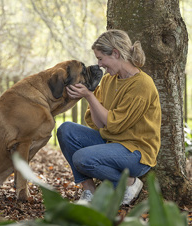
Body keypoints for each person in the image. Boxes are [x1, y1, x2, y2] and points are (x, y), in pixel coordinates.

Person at [57, 29, 161, 205]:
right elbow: (100, 124)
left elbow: (114, 125)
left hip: (136, 151)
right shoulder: (108, 80)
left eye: (100, 58)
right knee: (65, 130)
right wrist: (89, 96)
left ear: (115, 53)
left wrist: (89, 96)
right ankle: (89, 192)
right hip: (111, 142)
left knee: (82, 159)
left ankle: (130, 183)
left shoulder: (142, 85)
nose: (99, 65)